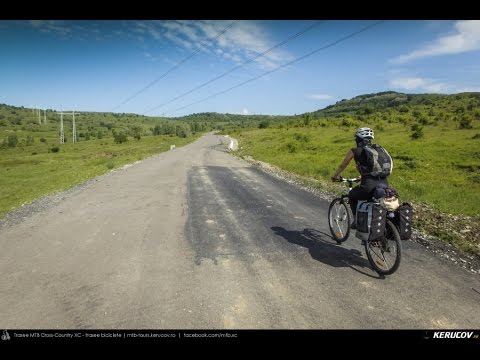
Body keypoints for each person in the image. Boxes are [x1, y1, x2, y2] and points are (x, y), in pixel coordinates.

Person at [331, 127, 389, 228]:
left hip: (368, 187)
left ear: (358, 138)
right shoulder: (377, 149)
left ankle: (357, 221)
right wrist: (362, 176)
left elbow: (342, 165)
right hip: (384, 185)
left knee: (352, 196)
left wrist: (334, 176)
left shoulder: (355, 151)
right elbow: (371, 167)